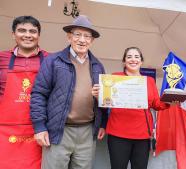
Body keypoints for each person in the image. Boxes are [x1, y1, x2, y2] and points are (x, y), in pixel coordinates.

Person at [30, 15, 107, 169]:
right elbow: (39, 94)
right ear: (69, 37)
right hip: (59, 130)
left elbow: (105, 98)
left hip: (87, 131)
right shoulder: (53, 61)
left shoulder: (98, 65)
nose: (82, 40)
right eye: (77, 34)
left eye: (87, 36)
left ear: (92, 41)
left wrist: (103, 122)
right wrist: (39, 127)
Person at [92, 47, 170, 169]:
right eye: (129, 57)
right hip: (118, 134)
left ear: (141, 61)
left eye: (136, 57)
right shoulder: (114, 78)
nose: (133, 60)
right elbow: (104, 103)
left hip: (142, 136)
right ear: (124, 61)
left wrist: (169, 101)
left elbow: (156, 104)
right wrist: (99, 96)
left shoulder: (149, 81)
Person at [0, 15, 48, 169]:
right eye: (22, 30)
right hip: (5, 130)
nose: (27, 35)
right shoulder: (1, 58)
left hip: (39, 130)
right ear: (13, 34)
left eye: (32, 31)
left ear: (38, 35)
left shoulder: (51, 60)